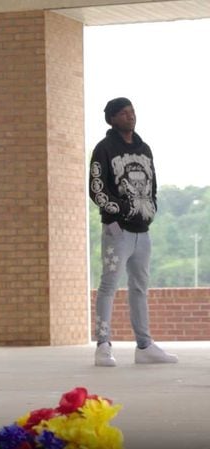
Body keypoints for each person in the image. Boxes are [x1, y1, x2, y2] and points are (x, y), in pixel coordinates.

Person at [89, 97, 178, 367]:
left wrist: (150, 208)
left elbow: (152, 184)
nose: (130, 116)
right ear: (112, 118)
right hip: (117, 230)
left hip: (143, 231)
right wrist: (122, 210)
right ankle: (103, 345)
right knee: (109, 285)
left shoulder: (145, 148)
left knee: (139, 288)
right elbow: (96, 189)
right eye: (124, 113)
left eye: (132, 112)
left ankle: (145, 346)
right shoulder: (104, 149)